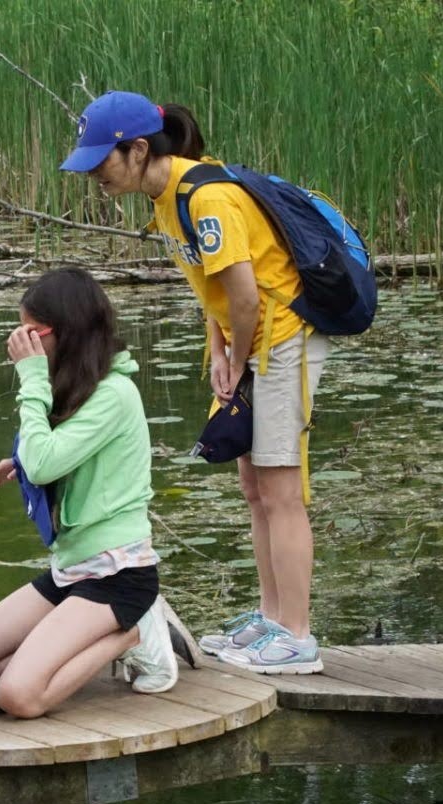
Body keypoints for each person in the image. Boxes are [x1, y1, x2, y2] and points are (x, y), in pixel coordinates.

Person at [60, 90, 327, 675]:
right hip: (247, 340)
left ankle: (298, 637)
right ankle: (270, 618)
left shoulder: (207, 198)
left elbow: (249, 296)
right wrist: (218, 350)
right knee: (253, 487)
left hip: (284, 336)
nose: (94, 177)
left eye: (101, 162)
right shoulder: (166, 198)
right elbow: (215, 289)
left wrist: (239, 355)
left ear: (136, 149)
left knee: (281, 491)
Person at [0, 267, 177, 721]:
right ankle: (64, 643)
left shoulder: (115, 393)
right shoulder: (78, 387)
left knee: (18, 697)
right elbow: (57, 455)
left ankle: (137, 632)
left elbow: (46, 460)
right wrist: (18, 463)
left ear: (64, 331)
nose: (22, 344)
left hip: (117, 576)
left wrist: (30, 379)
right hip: (71, 569)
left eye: (31, 333)